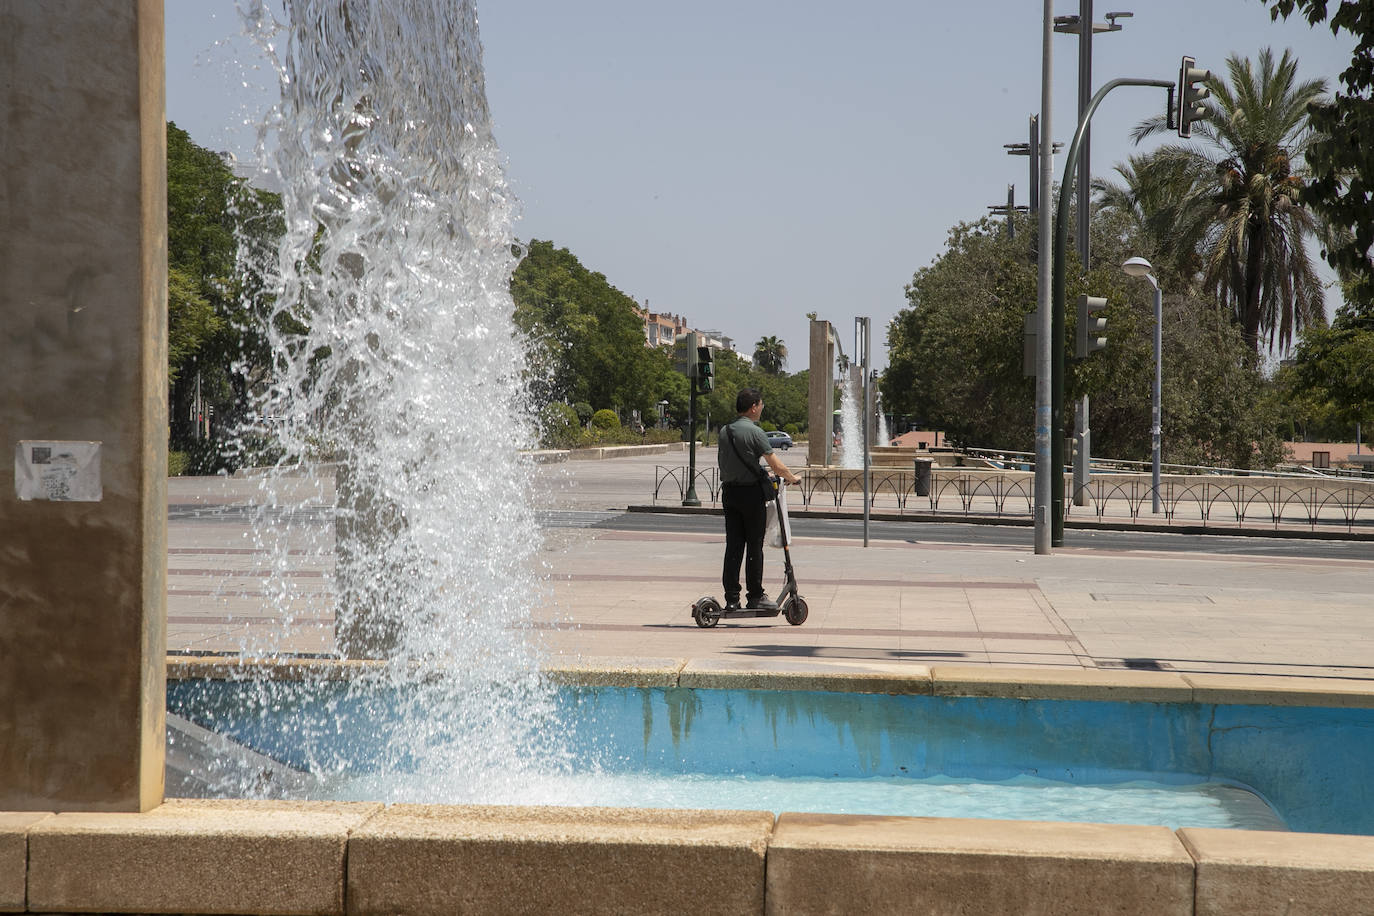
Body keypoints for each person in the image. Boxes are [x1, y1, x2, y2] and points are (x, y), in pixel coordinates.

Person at [717, 388, 801, 611]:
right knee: (754, 546)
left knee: (733, 546)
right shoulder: (755, 432)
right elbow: (776, 465)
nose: (762, 408)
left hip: (729, 493)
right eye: (761, 405)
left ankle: (731, 598)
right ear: (753, 406)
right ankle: (755, 595)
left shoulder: (725, 431)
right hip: (750, 495)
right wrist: (792, 477)